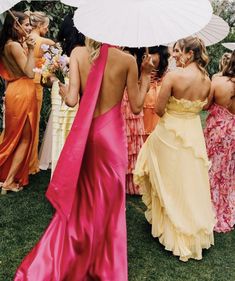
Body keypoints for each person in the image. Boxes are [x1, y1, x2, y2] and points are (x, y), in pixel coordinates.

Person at [14, 38, 153, 280]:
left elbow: (71, 101)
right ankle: (103, 264)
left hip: (87, 136)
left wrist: (63, 89)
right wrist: (147, 75)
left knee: (83, 198)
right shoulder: (128, 60)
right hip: (111, 138)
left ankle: (77, 249)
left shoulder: (78, 53)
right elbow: (137, 107)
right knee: (109, 202)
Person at [134, 36, 216, 262]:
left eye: (179, 52)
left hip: (170, 131)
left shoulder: (174, 76)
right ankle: (192, 227)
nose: (175, 55)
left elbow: (159, 109)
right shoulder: (207, 80)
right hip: (193, 133)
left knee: (170, 180)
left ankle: (170, 225)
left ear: (190, 54)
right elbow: (204, 107)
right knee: (189, 181)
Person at [39, 13, 85, 174]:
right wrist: (54, 79)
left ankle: (62, 174)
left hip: (69, 95)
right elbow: (43, 80)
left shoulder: (81, 52)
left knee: (63, 133)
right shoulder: (58, 51)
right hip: (65, 94)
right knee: (65, 132)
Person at [0, 11, 37, 193]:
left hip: (14, 91)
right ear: (15, 25)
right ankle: (8, 182)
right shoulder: (14, 45)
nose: (30, 27)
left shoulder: (9, 44)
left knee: (13, 137)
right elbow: (29, 72)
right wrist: (30, 50)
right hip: (22, 91)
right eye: (27, 24)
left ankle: (8, 177)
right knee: (23, 139)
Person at [204, 50, 235, 233]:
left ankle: (208, 208)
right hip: (233, 134)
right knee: (229, 172)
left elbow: (205, 105)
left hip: (217, 132)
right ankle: (227, 209)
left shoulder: (218, 82)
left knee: (212, 170)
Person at [25, 11, 54, 175]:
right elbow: (58, 64)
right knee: (33, 123)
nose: (48, 29)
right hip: (36, 85)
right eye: (47, 26)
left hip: (23, 82)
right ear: (41, 25)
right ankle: (30, 163)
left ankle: (24, 161)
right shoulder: (46, 42)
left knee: (25, 125)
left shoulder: (25, 40)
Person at [121, 47, 146, 195]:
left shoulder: (137, 56)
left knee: (131, 136)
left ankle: (130, 181)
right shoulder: (127, 56)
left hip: (132, 95)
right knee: (126, 137)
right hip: (125, 96)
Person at [143, 45, 170, 141]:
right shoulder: (138, 75)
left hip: (160, 129)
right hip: (141, 128)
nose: (148, 56)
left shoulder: (169, 78)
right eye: (146, 52)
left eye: (152, 53)